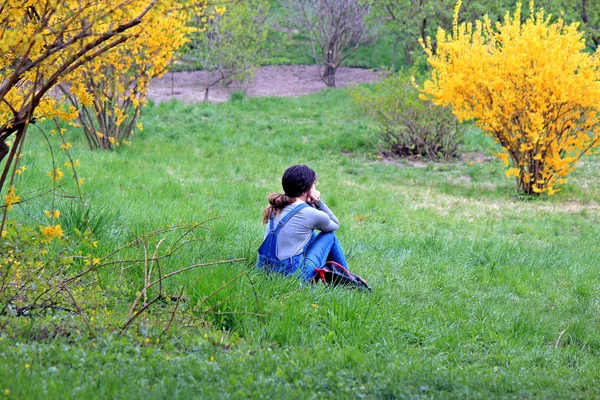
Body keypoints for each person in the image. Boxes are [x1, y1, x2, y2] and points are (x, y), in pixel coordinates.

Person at [257, 164, 351, 282]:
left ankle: (336, 276)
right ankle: (348, 281)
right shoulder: (309, 213)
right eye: (313, 184)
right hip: (295, 278)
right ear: (308, 189)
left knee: (310, 235)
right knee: (329, 236)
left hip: (264, 273)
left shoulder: (276, 206)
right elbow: (335, 224)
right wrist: (318, 202)